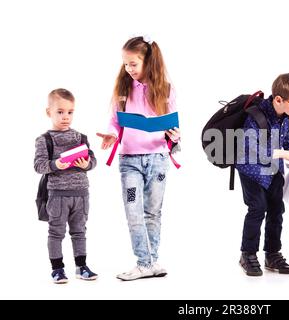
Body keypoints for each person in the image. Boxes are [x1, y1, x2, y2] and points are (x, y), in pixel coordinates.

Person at [97, 36, 180, 281]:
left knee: (153, 212)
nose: (128, 69)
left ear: (148, 61)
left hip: (158, 159)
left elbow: (173, 125)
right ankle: (145, 263)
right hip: (130, 161)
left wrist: (174, 135)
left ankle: (151, 263)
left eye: (133, 63)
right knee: (133, 211)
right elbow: (114, 121)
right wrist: (112, 135)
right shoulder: (122, 90)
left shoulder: (165, 89)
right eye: (125, 64)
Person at [235, 73, 289, 276]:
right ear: (278, 100)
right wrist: (284, 154)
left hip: (274, 168)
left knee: (276, 209)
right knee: (257, 208)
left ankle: (272, 254)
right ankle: (247, 254)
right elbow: (250, 147)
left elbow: (287, 140)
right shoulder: (256, 115)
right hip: (250, 168)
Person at [34, 88, 98, 284]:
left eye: (70, 112)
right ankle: (57, 269)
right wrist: (55, 165)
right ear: (49, 112)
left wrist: (86, 164)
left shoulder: (81, 137)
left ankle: (81, 266)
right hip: (57, 196)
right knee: (56, 232)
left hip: (81, 194)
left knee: (80, 231)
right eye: (60, 112)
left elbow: (93, 160)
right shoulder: (44, 140)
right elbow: (38, 166)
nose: (65, 117)